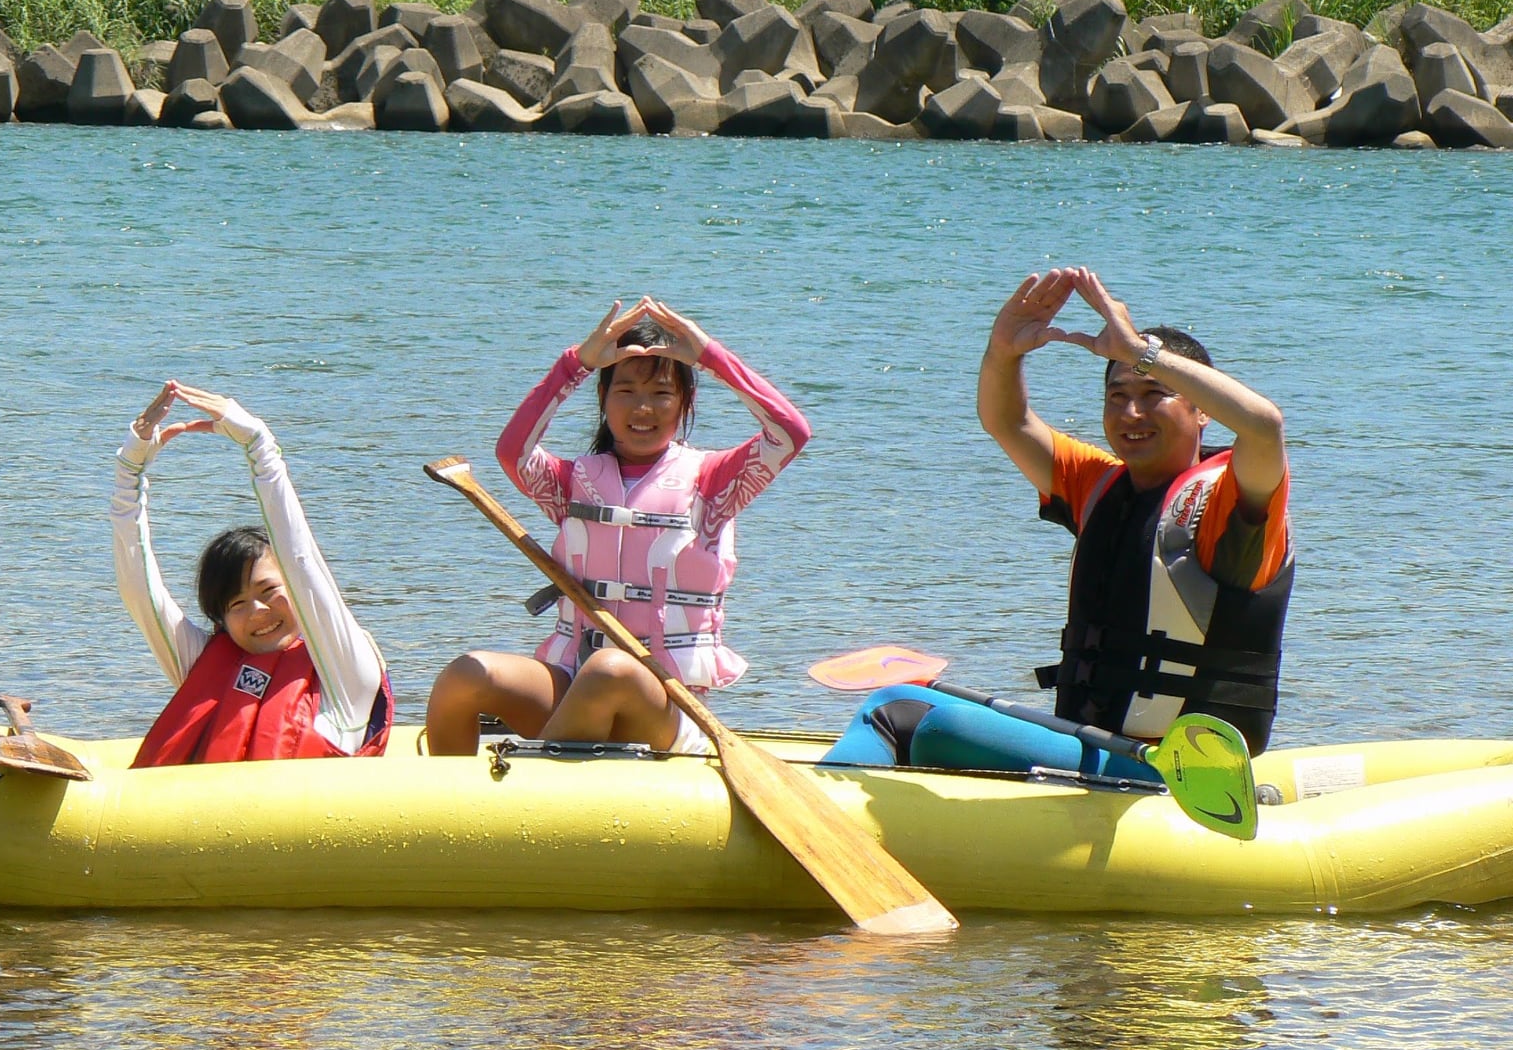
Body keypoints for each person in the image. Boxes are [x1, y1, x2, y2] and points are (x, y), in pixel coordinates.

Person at [829, 268, 1291, 774]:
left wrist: (1140, 351)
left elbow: (1264, 426)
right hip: (1096, 748)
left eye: (1153, 392)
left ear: (1202, 410)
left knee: (902, 716)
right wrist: (1004, 350)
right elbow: (1007, 421)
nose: (1131, 412)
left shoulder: (1233, 499)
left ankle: (818, 810)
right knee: (901, 700)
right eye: (1117, 397)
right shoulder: (1098, 484)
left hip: (1185, 771)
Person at [424, 298, 811, 756]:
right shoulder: (574, 484)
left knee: (611, 669)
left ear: (684, 402)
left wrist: (708, 356)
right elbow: (513, 452)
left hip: (665, 703)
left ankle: (534, 789)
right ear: (604, 400)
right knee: (466, 675)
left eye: (661, 393)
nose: (643, 407)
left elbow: (790, 432)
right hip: (570, 679)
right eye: (625, 391)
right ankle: (457, 807)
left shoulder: (714, 483)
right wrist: (577, 363)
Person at [112, 381, 391, 766]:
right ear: (222, 620)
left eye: (268, 589)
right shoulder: (205, 662)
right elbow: (139, 589)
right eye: (237, 603)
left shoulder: (348, 672)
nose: (258, 610)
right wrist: (129, 473)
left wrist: (260, 447)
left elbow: (301, 559)